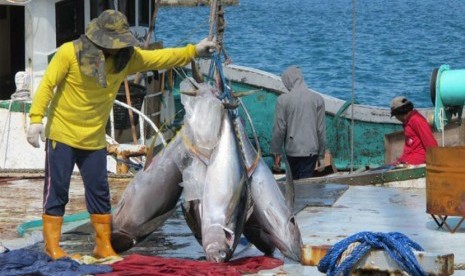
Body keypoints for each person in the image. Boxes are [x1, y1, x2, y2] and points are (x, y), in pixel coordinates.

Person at [26, 10, 215, 260]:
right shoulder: (69, 52)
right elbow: (47, 84)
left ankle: (103, 245)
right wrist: (36, 119)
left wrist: (194, 50)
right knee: (57, 192)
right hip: (62, 136)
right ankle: (52, 247)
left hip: (94, 140)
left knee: (100, 193)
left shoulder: (126, 59)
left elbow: (160, 58)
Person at [270, 66, 326, 207]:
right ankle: (305, 210)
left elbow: (279, 129)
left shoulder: (283, 100)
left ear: (288, 81)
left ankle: (295, 211)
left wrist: (276, 153)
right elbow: (321, 130)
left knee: (293, 186)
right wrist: (321, 155)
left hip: (292, 150)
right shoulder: (317, 99)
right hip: (311, 151)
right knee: (306, 186)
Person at [390, 96, 438, 165]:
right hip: (408, 159)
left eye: (395, 115)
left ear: (399, 113)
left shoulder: (416, 120)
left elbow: (431, 143)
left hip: (417, 161)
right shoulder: (409, 121)